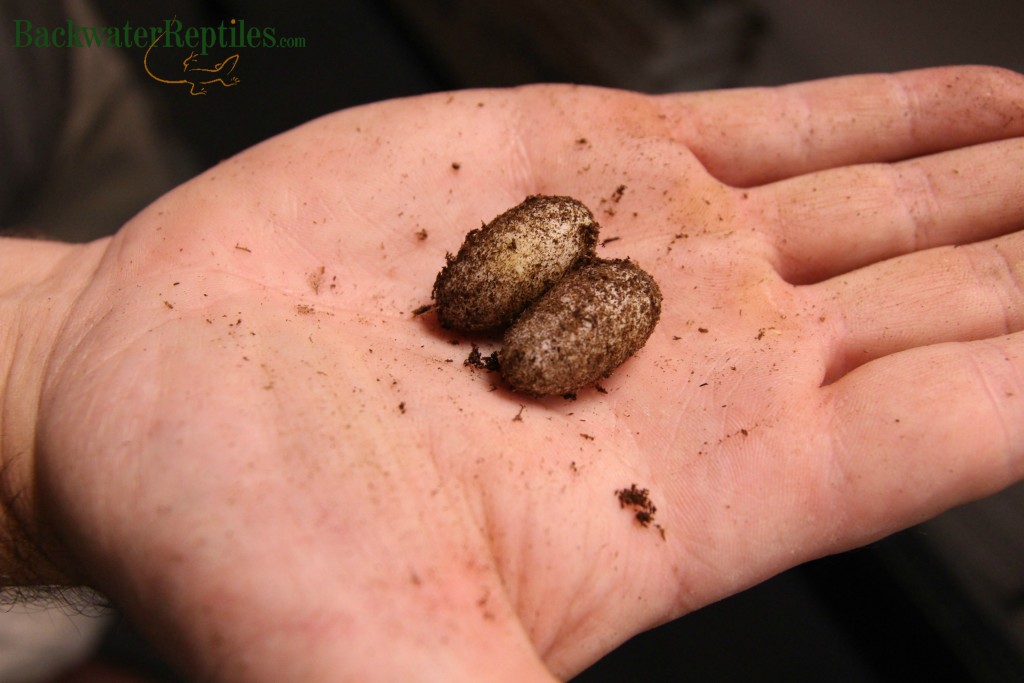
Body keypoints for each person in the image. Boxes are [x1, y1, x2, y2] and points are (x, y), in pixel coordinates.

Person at [2, 64, 1023, 682]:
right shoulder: (539, 299)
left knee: (108, 169)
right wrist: (54, 364)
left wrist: (49, 345)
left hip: (40, 93)